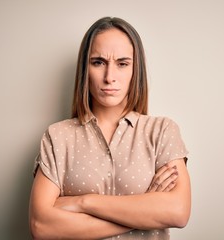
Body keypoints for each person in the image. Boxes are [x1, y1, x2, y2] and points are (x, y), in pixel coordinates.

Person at [29, 16, 191, 240]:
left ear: (136, 70)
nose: (109, 77)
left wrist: (83, 202)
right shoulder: (58, 137)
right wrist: (143, 213)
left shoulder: (162, 131)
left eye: (122, 64)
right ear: (85, 69)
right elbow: (41, 226)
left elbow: (178, 212)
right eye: (98, 62)